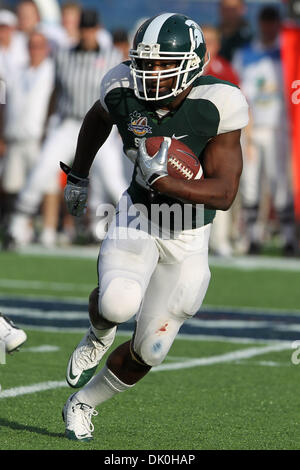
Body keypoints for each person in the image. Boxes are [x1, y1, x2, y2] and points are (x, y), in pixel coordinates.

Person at [61, 12, 249, 441]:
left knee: (152, 349)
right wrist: (79, 174)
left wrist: (171, 183)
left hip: (189, 232)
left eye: (164, 63)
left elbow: (224, 193)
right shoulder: (121, 86)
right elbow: (97, 120)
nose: (152, 72)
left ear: (191, 63)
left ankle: (84, 402)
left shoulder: (218, 102)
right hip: (139, 216)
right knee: (117, 304)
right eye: (146, 62)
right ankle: (99, 332)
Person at [7, 9, 125, 247]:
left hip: (100, 126)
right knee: (41, 172)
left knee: (112, 180)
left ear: (97, 30)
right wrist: (45, 126)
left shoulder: (111, 56)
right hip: (68, 123)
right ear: (78, 30)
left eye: (91, 29)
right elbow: (54, 91)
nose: (87, 34)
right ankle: (17, 226)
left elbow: (120, 93)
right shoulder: (63, 55)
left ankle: (134, 228)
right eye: (83, 29)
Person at [233, 6, 297, 255]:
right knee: (249, 184)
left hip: (278, 128)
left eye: (273, 22)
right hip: (251, 128)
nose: (269, 27)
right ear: (259, 23)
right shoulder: (245, 54)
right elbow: (239, 93)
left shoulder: (287, 54)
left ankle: (289, 239)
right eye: (265, 21)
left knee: (279, 183)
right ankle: (252, 238)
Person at [0, 31, 54, 230]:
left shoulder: (51, 71)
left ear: (46, 49)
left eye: (39, 46)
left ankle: (48, 228)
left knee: (47, 185)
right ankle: (20, 227)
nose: (35, 50)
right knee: (12, 185)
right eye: (32, 46)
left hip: (38, 138)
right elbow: (4, 103)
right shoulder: (17, 71)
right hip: (14, 136)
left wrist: (49, 131)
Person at [202, 24, 240, 256]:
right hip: (195, 137)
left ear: (216, 45)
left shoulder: (222, 69)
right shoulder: (186, 68)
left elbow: (240, 102)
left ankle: (221, 239)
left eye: (209, 41)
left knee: (221, 186)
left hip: (220, 136)